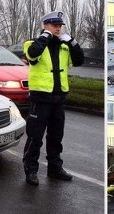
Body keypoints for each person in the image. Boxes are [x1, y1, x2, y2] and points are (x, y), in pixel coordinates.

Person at [22, 11, 84, 186]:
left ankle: (55, 169)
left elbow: (79, 60)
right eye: (54, 25)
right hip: (40, 100)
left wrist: (72, 42)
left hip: (58, 100)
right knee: (35, 137)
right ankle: (31, 170)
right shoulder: (33, 43)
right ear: (45, 25)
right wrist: (45, 36)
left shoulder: (64, 47)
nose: (58, 28)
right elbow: (32, 55)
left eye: (59, 26)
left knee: (56, 137)